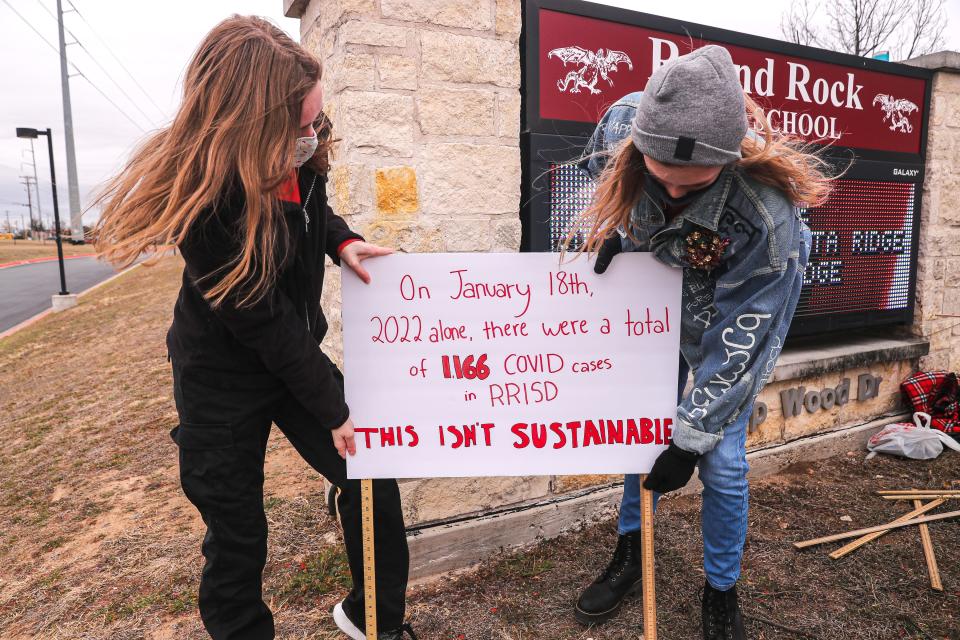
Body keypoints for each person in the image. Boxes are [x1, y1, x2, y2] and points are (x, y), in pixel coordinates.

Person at [93, 16, 415, 640]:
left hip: (293, 357)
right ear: (250, 128)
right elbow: (265, 326)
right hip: (222, 378)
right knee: (237, 531)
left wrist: (342, 241)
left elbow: (314, 211)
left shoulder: (301, 148)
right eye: (301, 126)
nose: (313, 135)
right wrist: (334, 409)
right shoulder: (206, 206)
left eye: (318, 120)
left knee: (371, 474)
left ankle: (375, 617)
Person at [572, 45, 827, 640]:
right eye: (661, 182)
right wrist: (617, 234)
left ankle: (721, 590)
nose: (673, 196)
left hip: (731, 310)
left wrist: (688, 439)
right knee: (641, 435)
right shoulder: (621, 130)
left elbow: (738, 343)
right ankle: (632, 553)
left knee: (723, 458)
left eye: (692, 187)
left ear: (729, 156)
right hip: (657, 296)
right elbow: (606, 192)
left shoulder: (768, 220)